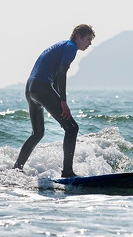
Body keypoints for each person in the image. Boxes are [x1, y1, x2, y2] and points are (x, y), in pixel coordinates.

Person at [13, 24, 95, 177]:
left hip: (31, 89)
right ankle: (68, 172)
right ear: (78, 35)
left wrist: (58, 98)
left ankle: (17, 168)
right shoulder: (71, 47)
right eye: (88, 39)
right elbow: (62, 73)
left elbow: (57, 76)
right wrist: (63, 101)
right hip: (42, 88)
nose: (89, 43)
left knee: (37, 133)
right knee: (72, 128)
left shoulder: (62, 45)